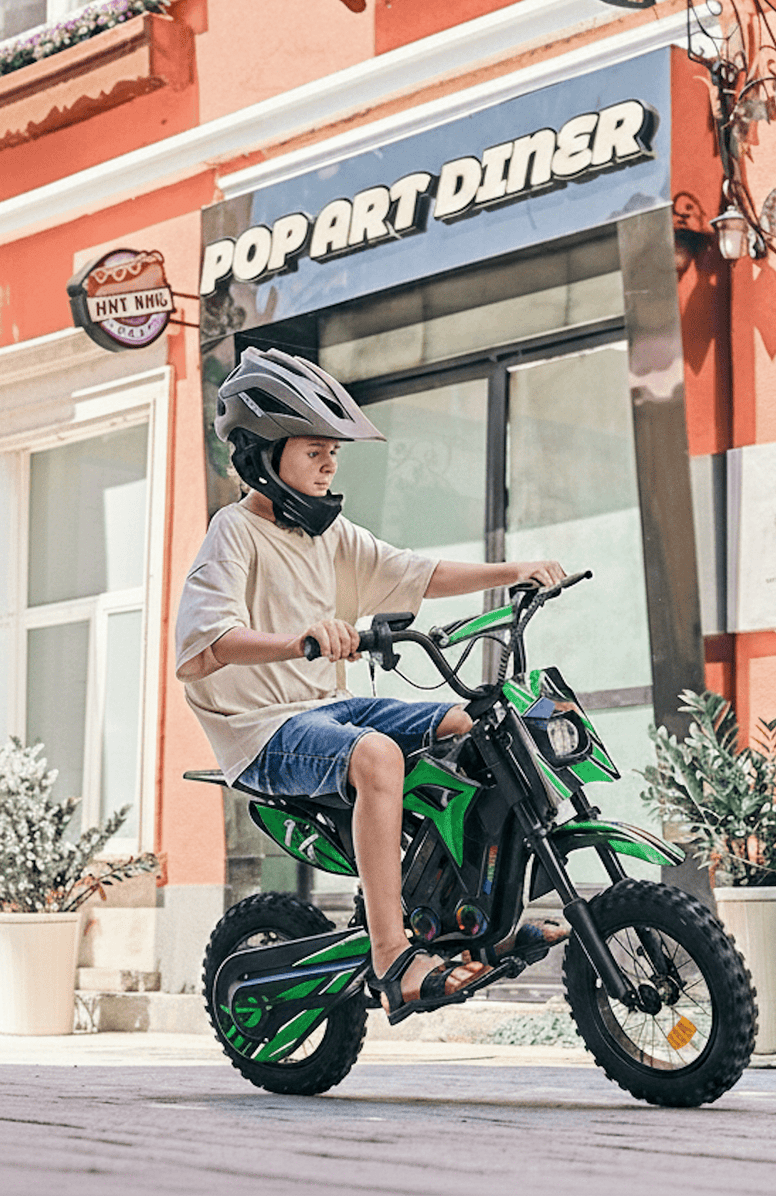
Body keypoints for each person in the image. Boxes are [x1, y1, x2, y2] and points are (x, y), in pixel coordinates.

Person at [176, 347, 569, 1023]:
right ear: (263, 455)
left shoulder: (330, 536)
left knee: (481, 729)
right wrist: (300, 639)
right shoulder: (234, 532)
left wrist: (514, 571)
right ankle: (392, 957)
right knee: (378, 756)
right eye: (314, 451)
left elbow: (417, 574)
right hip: (261, 728)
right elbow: (207, 643)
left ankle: (484, 919)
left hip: (328, 707)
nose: (329, 465)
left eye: (333, 452)